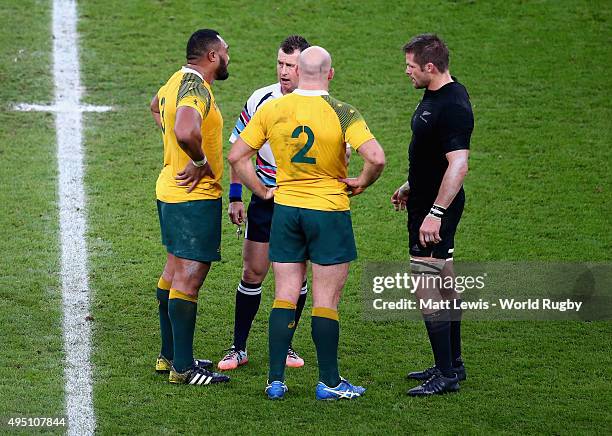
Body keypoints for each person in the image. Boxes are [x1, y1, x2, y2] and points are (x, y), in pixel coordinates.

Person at [228, 46, 385, 400]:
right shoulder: (344, 112)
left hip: (285, 209)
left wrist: (261, 191)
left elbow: (237, 155)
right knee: (325, 298)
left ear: (299, 72)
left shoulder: (273, 108)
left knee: (283, 293)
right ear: (330, 74)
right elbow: (376, 157)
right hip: (328, 211)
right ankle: (329, 382)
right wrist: (362, 181)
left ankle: (275, 381)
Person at [218, 35, 311, 371]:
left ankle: (285, 345)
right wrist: (235, 195)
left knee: (296, 277)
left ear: (306, 67)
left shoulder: (320, 104)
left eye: (292, 65)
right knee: (253, 270)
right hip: (265, 197)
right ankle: (238, 347)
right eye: (281, 64)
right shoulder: (261, 98)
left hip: (301, 201)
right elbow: (239, 152)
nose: (284, 71)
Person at [390, 34, 473, 396]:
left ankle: (445, 375)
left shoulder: (453, 105)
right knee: (445, 279)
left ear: (429, 66)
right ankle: (452, 364)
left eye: (410, 66)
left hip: (434, 209)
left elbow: (459, 164)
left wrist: (434, 213)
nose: (405, 72)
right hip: (425, 198)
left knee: (426, 283)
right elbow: (432, 151)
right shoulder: (436, 93)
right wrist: (411, 183)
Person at [149, 28, 231, 386]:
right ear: (212, 56)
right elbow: (184, 130)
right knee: (190, 278)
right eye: (226, 52)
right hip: (192, 197)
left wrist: (175, 152)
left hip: (169, 188)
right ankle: (183, 368)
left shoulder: (175, 80)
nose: (229, 58)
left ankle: (170, 356)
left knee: (172, 271)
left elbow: (156, 108)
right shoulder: (196, 87)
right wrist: (197, 160)